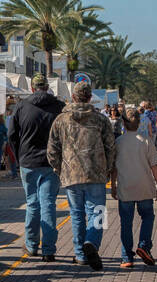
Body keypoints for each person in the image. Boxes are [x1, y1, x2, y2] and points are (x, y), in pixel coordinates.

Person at [46, 79, 115, 270]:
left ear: (73, 97)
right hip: (96, 173)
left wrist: (59, 169)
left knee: (77, 214)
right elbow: (110, 146)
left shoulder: (61, 120)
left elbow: (52, 149)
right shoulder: (101, 119)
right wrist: (108, 168)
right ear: (90, 97)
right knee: (99, 212)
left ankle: (80, 254)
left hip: (71, 174)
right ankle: (92, 242)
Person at [7, 74, 65, 261]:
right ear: (47, 87)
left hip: (28, 161)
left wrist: (19, 156)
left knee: (33, 203)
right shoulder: (58, 107)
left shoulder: (22, 106)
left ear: (32, 88)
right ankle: (48, 249)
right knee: (48, 204)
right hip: (51, 162)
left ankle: (32, 245)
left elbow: (12, 135)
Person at [111, 110, 157, 269]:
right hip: (144, 186)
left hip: (125, 187)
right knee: (147, 216)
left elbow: (114, 168)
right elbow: (154, 166)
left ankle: (127, 257)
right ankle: (144, 245)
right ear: (139, 123)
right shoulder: (146, 141)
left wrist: (113, 185)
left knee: (126, 222)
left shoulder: (118, 142)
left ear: (124, 123)